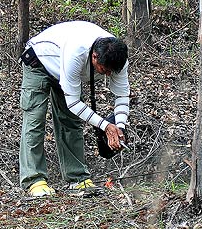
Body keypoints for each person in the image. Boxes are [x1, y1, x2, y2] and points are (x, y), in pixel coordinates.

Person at [18, 21, 130, 197]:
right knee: (35, 120)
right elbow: (73, 103)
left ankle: (77, 178)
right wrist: (106, 126)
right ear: (94, 56)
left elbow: (122, 96)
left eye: (111, 72)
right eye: (104, 70)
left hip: (66, 72)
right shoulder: (76, 52)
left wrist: (120, 127)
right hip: (39, 62)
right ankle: (34, 180)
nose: (108, 74)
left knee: (71, 122)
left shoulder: (118, 57)